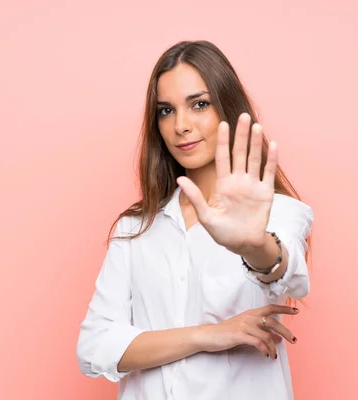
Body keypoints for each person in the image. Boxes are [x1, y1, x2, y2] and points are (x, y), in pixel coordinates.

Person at [76, 40, 314, 400]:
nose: (181, 125)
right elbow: (94, 347)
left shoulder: (281, 212)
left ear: (227, 109)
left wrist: (254, 245)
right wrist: (208, 335)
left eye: (199, 104)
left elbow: (286, 271)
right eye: (166, 111)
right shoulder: (135, 228)